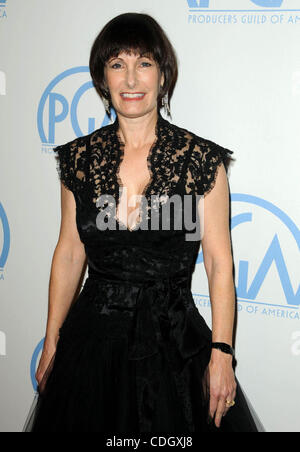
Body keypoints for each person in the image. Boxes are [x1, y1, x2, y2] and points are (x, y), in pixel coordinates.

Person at [24, 12, 262, 433]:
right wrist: (52, 339)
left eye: (144, 63)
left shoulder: (200, 161)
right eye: (118, 64)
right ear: (102, 78)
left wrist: (222, 351)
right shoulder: (77, 161)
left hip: (175, 347)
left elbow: (219, 264)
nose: (131, 79)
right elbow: (69, 253)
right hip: (90, 347)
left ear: (163, 75)